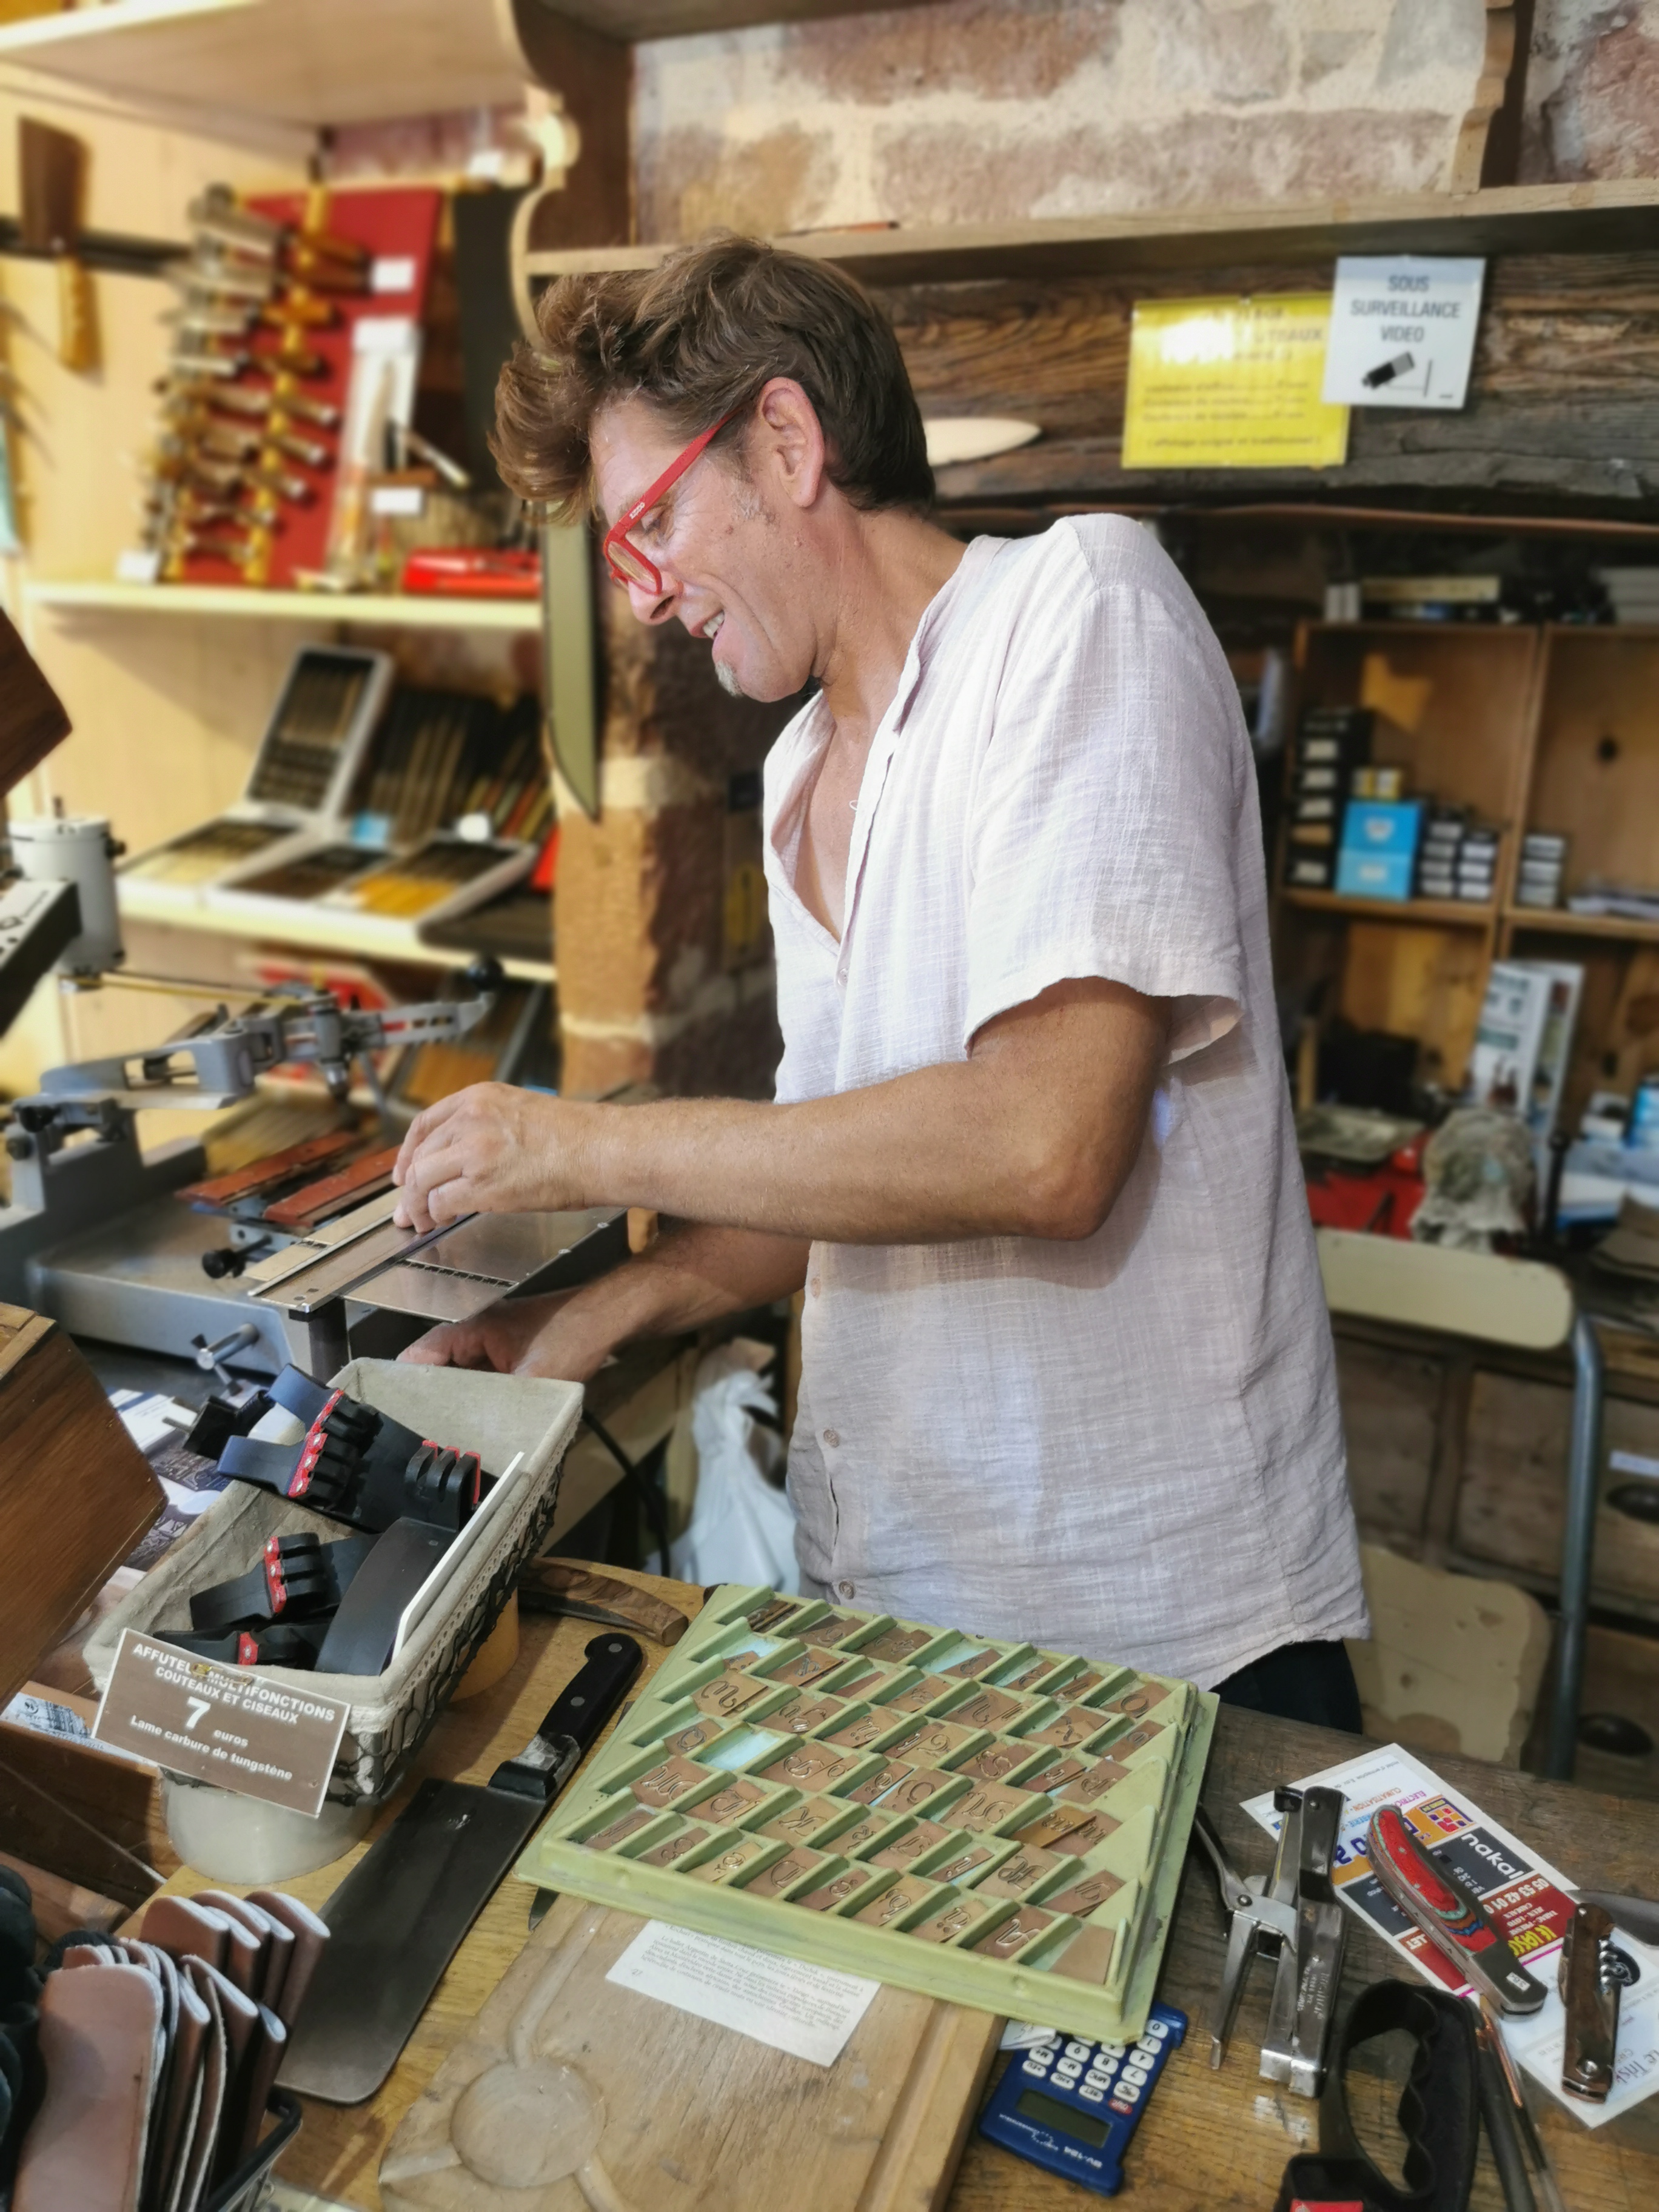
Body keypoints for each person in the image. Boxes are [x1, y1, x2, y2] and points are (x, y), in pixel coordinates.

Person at [393, 234, 1368, 1724]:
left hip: (1158, 1628)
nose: (644, 598)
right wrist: (599, 1314)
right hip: (907, 1605)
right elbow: (836, 1179)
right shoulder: (802, 773)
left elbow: (1045, 1148)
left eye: (652, 523)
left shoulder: (1076, 612)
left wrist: (581, 1144)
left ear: (787, 443)